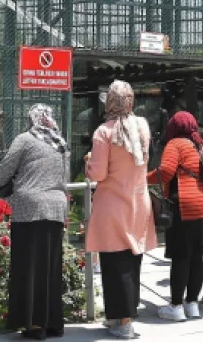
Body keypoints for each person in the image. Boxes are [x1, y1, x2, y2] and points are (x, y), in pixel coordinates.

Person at [0, 104, 70, 339]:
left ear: (32, 120)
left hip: (29, 210)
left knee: (30, 267)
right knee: (51, 268)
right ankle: (54, 322)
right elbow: (64, 177)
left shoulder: (25, 139)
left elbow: (7, 166)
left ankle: (35, 325)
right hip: (56, 208)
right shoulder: (61, 143)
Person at [85, 81, 157, 340]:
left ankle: (122, 321)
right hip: (138, 201)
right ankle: (121, 316)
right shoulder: (143, 126)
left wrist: (87, 165)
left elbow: (99, 172)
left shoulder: (104, 132)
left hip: (112, 204)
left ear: (111, 102)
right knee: (132, 260)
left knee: (113, 263)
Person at [147, 112, 203, 322]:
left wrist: (143, 178)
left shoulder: (176, 144)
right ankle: (192, 304)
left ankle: (176, 306)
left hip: (187, 205)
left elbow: (166, 171)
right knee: (197, 257)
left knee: (181, 257)